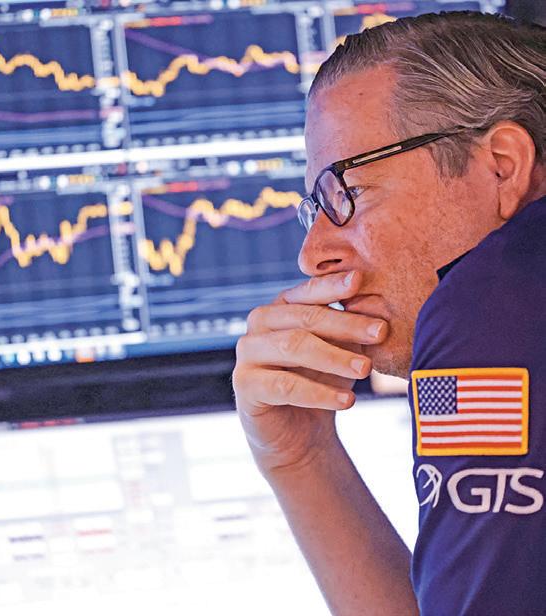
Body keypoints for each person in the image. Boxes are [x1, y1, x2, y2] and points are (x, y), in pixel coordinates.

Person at [232, 11, 545, 616]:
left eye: (348, 192)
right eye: (316, 208)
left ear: (502, 166)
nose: (312, 254)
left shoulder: (491, 301)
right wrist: (300, 457)